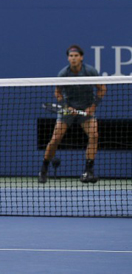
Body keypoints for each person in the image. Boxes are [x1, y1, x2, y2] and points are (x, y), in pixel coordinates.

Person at [39, 45, 106, 184]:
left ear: (81, 57)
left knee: (94, 135)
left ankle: (88, 171)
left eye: (76, 56)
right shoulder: (63, 73)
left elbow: (102, 89)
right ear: (68, 58)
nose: (73, 58)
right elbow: (57, 92)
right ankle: (44, 169)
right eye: (71, 56)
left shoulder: (90, 71)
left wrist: (92, 107)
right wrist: (66, 107)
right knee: (56, 138)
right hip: (68, 109)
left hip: (86, 109)